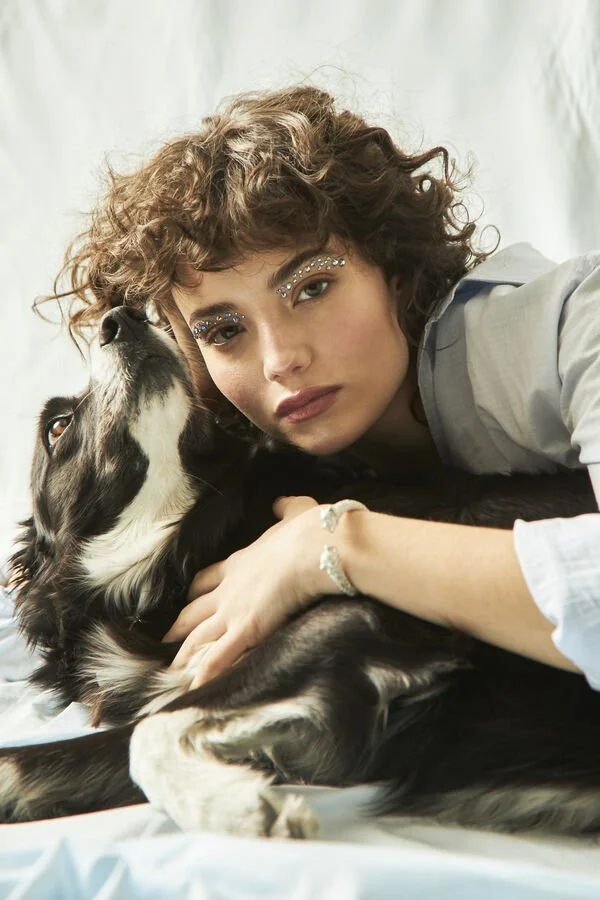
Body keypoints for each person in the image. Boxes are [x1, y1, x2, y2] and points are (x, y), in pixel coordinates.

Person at [51, 84, 600, 691]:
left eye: (311, 288)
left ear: (394, 269)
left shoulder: (578, 325)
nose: (281, 360)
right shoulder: (274, 487)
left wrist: (332, 545)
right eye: (224, 330)